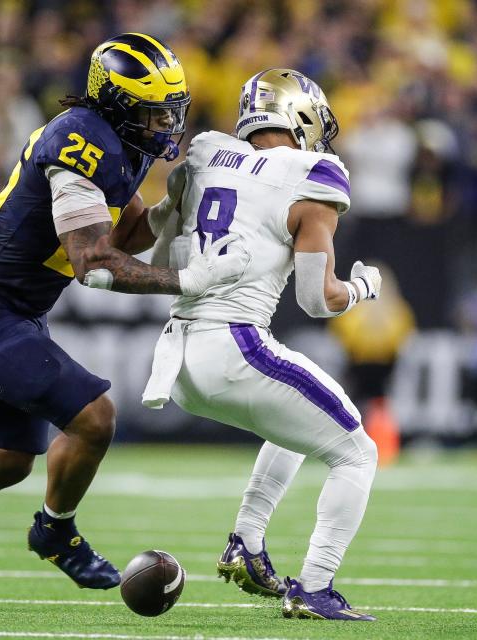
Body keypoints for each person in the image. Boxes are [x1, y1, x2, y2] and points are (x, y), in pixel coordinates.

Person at [0, 33, 246, 609]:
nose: (165, 123)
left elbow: (128, 234)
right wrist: (189, 281)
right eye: (153, 110)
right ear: (114, 102)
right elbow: (93, 261)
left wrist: (169, 206)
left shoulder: (120, 143)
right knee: (95, 418)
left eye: (170, 110)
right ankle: (55, 531)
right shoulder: (80, 141)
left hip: (7, 310)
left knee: (4, 462)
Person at [112, 68, 382, 621]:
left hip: (178, 359)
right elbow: (316, 298)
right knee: (358, 451)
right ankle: (314, 586)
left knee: (295, 425)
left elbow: (152, 245)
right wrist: (362, 287)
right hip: (234, 346)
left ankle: (247, 541)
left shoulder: (208, 152)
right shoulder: (315, 172)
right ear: (300, 115)